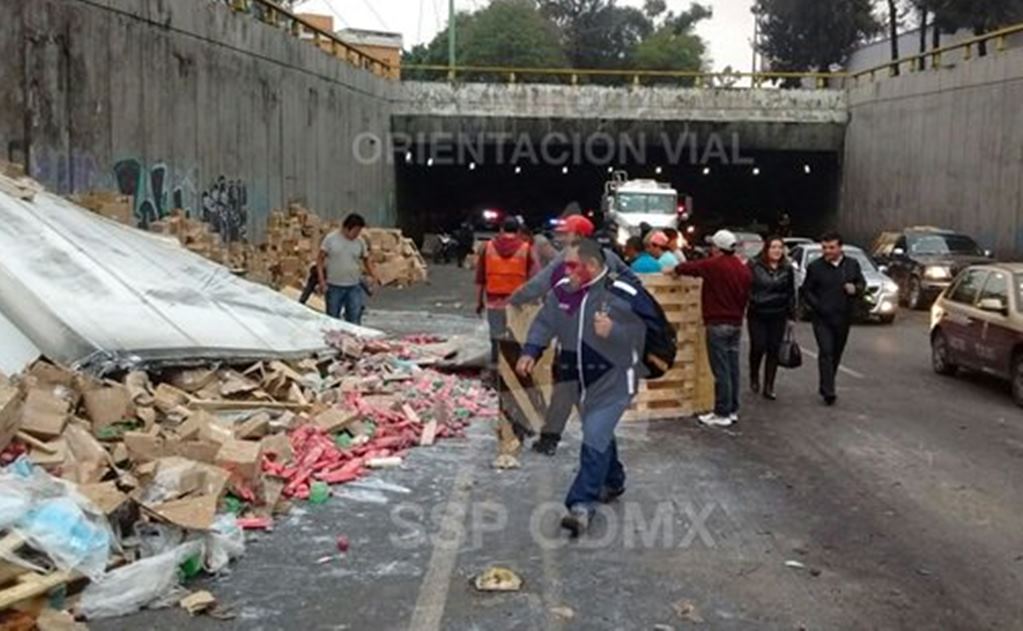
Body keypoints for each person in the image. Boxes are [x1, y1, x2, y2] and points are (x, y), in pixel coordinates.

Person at [517, 239, 650, 536]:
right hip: (577, 379)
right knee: (598, 431)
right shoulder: (563, 291)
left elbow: (645, 335)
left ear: (592, 265)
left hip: (614, 380)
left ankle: (581, 504)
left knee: (594, 432)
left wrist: (614, 331)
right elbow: (544, 323)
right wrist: (531, 350)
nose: (566, 270)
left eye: (572, 265)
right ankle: (614, 480)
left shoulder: (623, 292)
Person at [508, 215, 637, 456]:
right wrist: (532, 350)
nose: (561, 237)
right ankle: (556, 442)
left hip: (591, 352)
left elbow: (541, 283)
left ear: (578, 236)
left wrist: (516, 297)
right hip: (582, 348)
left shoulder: (571, 258)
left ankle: (560, 446)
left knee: (587, 410)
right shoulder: (606, 257)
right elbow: (547, 319)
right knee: (571, 398)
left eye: (566, 233)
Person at [672, 230, 752, 427]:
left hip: (717, 323)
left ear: (717, 247)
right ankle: (732, 409)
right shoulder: (742, 269)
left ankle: (721, 412)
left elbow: (686, 267)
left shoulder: (713, 265)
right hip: (736, 324)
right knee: (733, 367)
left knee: (720, 369)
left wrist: (675, 269)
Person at [801, 231, 865, 406]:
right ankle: (829, 391)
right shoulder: (815, 267)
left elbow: (862, 284)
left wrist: (856, 289)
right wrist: (818, 306)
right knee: (826, 351)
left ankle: (827, 383)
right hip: (822, 319)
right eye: (824, 248)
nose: (827, 251)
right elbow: (806, 290)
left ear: (840, 248)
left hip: (843, 318)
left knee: (836, 353)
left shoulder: (852, 265)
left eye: (831, 247)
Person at [476, 218, 540, 366]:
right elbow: (535, 278)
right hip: (517, 305)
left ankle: (495, 366)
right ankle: (513, 370)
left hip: (493, 301)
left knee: (496, 336)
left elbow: (480, 279)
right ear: (518, 231)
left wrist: (479, 302)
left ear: (501, 229)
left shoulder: (487, 247)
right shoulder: (526, 248)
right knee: (516, 337)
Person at [747, 236, 796, 401]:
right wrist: (751, 300)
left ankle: (769, 386)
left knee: (773, 349)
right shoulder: (754, 265)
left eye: (780, 248)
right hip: (758, 313)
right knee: (758, 346)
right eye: (773, 247)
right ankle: (754, 374)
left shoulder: (787, 268)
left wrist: (791, 315)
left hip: (778, 313)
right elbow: (746, 286)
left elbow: (791, 292)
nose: (777, 251)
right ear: (766, 249)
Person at [318, 213, 378, 325]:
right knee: (332, 319)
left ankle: (353, 341)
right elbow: (320, 260)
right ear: (346, 228)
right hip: (334, 287)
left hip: (354, 287)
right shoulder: (330, 239)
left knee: (354, 319)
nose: (357, 234)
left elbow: (366, 260)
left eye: (359, 231)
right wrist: (322, 281)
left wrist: (374, 277)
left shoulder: (360, 242)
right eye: (355, 231)